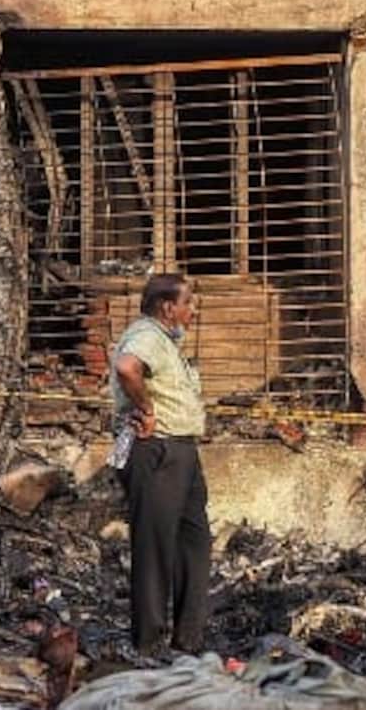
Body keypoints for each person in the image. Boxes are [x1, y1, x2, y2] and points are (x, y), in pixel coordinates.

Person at [111, 273, 210, 656]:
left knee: (194, 541)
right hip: (158, 450)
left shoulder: (168, 343)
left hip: (182, 449)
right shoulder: (147, 336)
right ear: (169, 307)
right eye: (189, 303)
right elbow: (127, 367)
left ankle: (187, 640)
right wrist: (145, 408)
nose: (193, 311)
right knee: (154, 547)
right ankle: (150, 643)